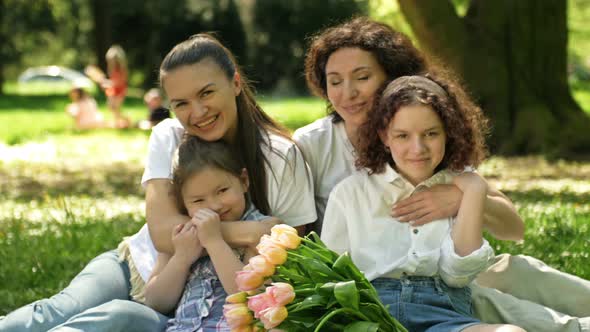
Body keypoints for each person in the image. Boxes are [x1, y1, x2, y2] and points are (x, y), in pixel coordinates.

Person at [0, 33, 316, 332]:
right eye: (181, 103)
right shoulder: (169, 135)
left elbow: (284, 251)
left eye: (206, 93)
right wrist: (250, 232)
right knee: (56, 313)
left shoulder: (279, 156)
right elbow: (163, 234)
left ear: (235, 83)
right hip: (143, 266)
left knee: (114, 319)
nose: (198, 112)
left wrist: (224, 235)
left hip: (193, 306)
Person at [294, 17, 590, 332]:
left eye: (362, 77)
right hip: (374, 284)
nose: (348, 92)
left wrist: (462, 197)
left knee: (512, 273)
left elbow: (513, 229)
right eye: (334, 81)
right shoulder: (312, 145)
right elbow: (300, 238)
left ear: (394, 78)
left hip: (449, 276)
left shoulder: (434, 142)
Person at [322, 74, 525, 332]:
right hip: (370, 315)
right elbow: (330, 276)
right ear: (384, 136)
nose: (418, 149)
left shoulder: (461, 184)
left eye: (430, 134)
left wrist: (473, 188)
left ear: (448, 133)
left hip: (445, 315)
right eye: (403, 136)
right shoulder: (351, 193)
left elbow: (458, 275)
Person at [145, 137, 272, 331]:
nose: (214, 206)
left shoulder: (261, 230)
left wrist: (214, 242)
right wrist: (181, 258)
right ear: (183, 204)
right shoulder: (182, 236)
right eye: (198, 200)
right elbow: (156, 302)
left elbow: (248, 296)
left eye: (222, 190)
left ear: (244, 181)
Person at [102, 45, 131, 128]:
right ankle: (119, 121)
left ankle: (124, 120)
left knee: (115, 107)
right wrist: (108, 83)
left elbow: (120, 82)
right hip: (114, 89)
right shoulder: (112, 69)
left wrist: (108, 83)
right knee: (111, 106)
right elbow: (113, 81)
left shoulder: (121, 69)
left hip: (120, 89)